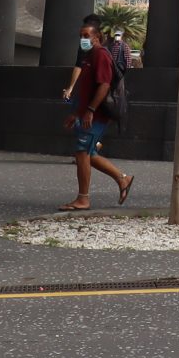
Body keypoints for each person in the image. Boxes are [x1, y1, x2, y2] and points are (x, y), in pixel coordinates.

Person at [60, 14, 131, 211]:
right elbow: (86, 89)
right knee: (88, 153)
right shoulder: (89, 56)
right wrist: (76, 113)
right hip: (87, 113)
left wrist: (89, 111)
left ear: (97, 36)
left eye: (86, 35)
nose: (83, 39)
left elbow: (103, 85)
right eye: (81, 35)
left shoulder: (100, 55)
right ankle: (122, 179)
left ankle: (83, 199)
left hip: (96, 115)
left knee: (82, 152)